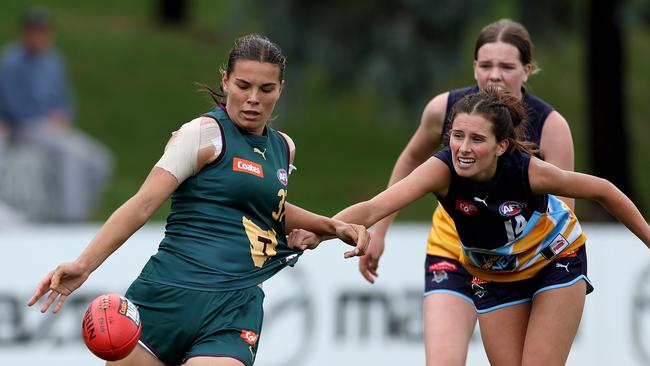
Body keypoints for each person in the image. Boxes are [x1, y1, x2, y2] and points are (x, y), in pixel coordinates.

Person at [27, 34, 370, 366]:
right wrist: (84, 264)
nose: (253, 98)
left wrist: (331, 227)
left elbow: (267, 207)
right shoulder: (203, 134)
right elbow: (144, 203)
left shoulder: (283, 147)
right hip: (165, 296)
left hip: (234, 306)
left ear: (280, 89)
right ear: (225, 81)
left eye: (266, 89)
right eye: (243, 85)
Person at [322, 87, 650, 366]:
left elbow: (604, 190)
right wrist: (317, 230)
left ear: (501, 145)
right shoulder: (441, 169)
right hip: (493, 272)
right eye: (457, 136)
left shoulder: (529, 172)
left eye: (477, 139)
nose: (463, 148)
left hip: (554, 259)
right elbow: (374, 208)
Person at [365, 19, 575, 365]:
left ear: (527, 70)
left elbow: (564, 212)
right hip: (453, 251)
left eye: (507, 66)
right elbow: (411, 160)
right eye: (486, 65)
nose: (495, 75)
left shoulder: (550, 127)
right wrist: (380, 230)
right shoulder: (445, 109)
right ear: (474, 67)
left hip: (519, 262)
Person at [0, 7, 113, 221]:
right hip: (25, 128)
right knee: (72, 154)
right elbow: (12, 106)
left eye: (42, 31)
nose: (38, 36)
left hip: (53, 129)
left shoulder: (54, 61)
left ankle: (84, 214)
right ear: (24, 33)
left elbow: (64, 100)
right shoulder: (11, 62)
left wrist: (62, 115)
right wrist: (46, 120)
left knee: (100, 160)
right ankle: (70, 221)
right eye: (33, 31)